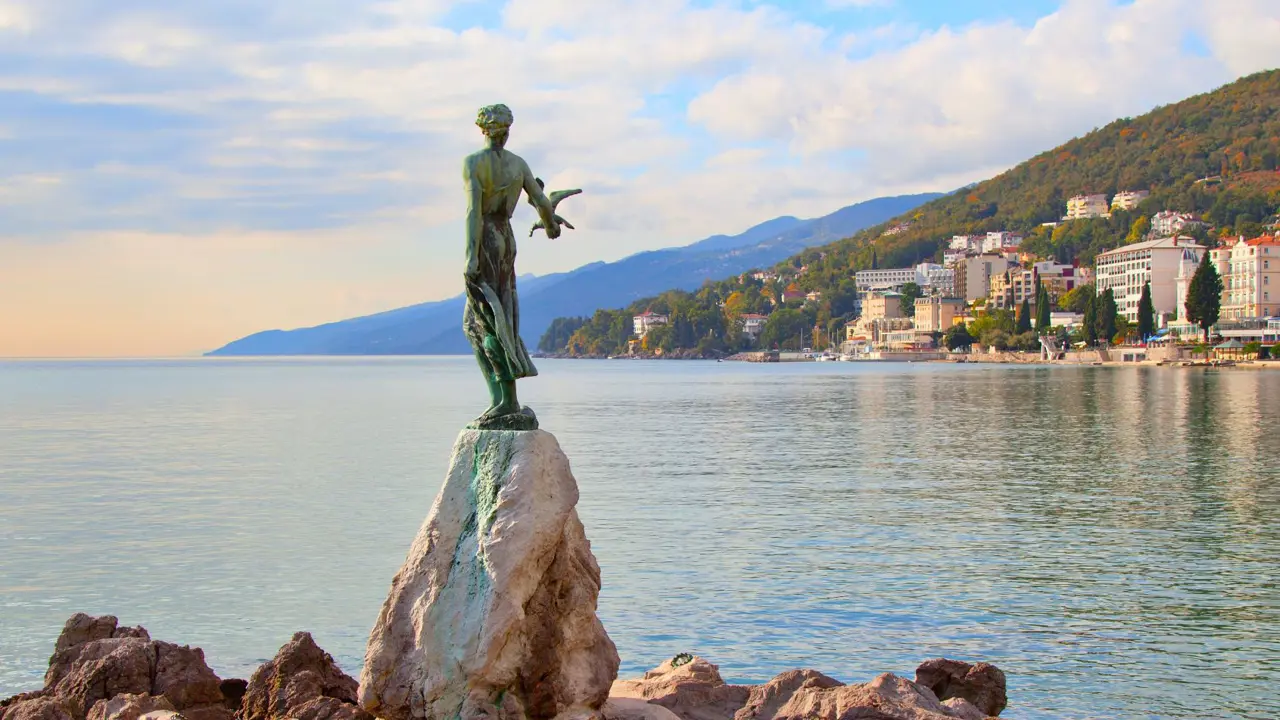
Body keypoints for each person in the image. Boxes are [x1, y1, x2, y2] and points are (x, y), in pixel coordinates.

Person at [461, 104, 562, 429]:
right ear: (506, 129)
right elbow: (542, 202)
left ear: (483, 129)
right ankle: (507, 399)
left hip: (487, 238)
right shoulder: (518, 164)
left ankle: (503, 401)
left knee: (481, 325)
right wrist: (550, 226)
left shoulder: (474, 163)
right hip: (508, 239)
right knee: (502, 315)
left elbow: (473, 212)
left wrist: (471, 255)